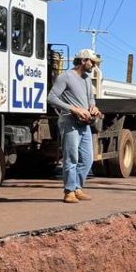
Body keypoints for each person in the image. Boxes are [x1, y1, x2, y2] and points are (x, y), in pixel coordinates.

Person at [48, 49, 103, 203]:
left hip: (84, 124)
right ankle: (69, 192)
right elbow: (51, 98)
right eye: (92, 62)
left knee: (87, 159)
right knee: (71, 157)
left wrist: (93, 107)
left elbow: (90, 98)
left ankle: (77, 187)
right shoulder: (65, 77)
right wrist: (74, 108)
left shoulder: (86, 78)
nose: (93, 65)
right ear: (83, 60)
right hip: (69, 122)